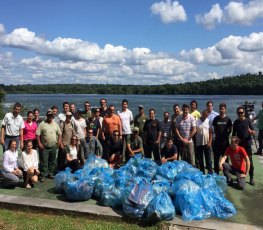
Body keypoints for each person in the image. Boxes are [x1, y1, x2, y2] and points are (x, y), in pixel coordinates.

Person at [232, 106, 255, 186]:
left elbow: (253, 131)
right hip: (240, 146)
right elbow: (233, 135)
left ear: (244, 113)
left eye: (241, 113)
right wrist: (234, 142)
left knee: (250, 162)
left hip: (247, 144)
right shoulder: (235, 122)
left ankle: (251, 177)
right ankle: (241, 177)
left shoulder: (248, 121)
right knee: (240, 162)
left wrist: (251, 132)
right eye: (239, 113)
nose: (240, 114)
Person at [37, 109, 62, 182]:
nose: (50, 116)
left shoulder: (55, 124)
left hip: (53, 146)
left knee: (52, 161)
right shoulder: (42, 124)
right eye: (49, 115)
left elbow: (59, 134)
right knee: (44, 161)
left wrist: (59, 142)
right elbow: (38, 134)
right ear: (46, 116)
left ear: (53, 116)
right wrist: (39, 143)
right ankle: (43, 175)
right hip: (44, 147)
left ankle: (50, 173)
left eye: (51, 115)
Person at [212, 103, 232, 174]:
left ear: (225, 110)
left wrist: (225, 136)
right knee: (216, 158)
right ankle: (216, 173)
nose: (221, 110)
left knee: (225, 159)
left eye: (223, 109)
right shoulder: (216, 119)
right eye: (220, 108)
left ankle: (226, 174)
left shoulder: (228, 119)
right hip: (217, 141)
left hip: (225, 142)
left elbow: (230, 130)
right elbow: (214, 128)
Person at [195, 110, 213, 174]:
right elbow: (195, 131)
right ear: (201, 114)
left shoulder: (208, 121)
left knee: (208, 159)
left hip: (207, 143)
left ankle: (210, 173)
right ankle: (202, 172)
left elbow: (211, 133)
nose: (205, 116)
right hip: (199, 143)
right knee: (200, 159)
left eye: (206, 115)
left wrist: (210, 142)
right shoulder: (197, 121)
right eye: (204, 115)